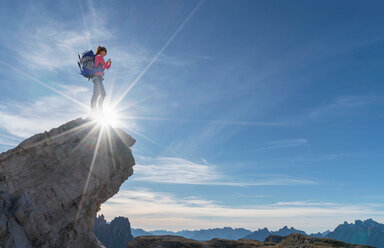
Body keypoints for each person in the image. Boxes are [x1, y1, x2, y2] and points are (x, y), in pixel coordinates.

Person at [91, 46, 111, 114]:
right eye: (105, 52)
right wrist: (109, 63)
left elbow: (102, 68)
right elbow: (107, 67)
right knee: (103, 94)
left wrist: (106, 64)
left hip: (95, 78)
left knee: (96, 94)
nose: (105, 54)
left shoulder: (96, 57)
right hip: (98, 78)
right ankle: (98, 111)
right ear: (102, 51)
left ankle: (94, 111)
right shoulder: (100, 57)